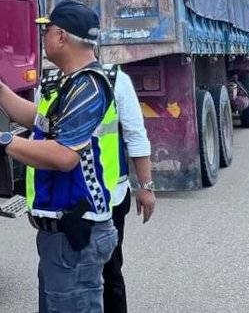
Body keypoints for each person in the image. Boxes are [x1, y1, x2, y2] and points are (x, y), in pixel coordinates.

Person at [0, 0, 119, 313]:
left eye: (47, 30)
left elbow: (64, 155)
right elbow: (38, 120)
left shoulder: (89, 87)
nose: (42, 37)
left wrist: (0, 140)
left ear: (62, 37)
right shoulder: (67, 83)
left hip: (76, 232)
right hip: (60, 232)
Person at [102, 65, 156, 313]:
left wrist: (145, 187)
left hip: (109, 201)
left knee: (110, 272)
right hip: (66, 202)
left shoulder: (115, 81)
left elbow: (135, 135)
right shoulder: (51, 83)